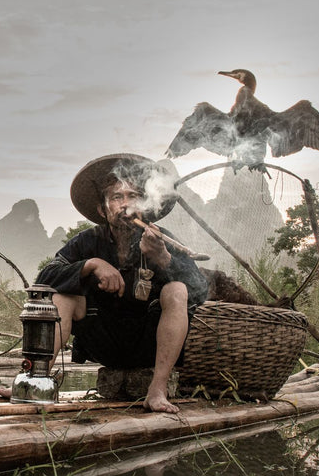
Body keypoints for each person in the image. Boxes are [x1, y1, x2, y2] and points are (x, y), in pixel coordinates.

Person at [35, 153, 208, 413]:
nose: (125, 204)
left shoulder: (162, 240)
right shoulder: (87, 241)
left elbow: (199, 292)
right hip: (103, 342)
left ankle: (157, 390)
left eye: (133, 197)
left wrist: (163, 259)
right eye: (117, 197)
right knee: (62, 297)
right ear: (103, 209)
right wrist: (90, 265)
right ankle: (36, 382)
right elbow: (44, 278)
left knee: (177, 290)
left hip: (148, 344)